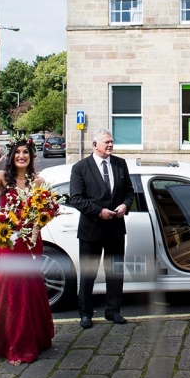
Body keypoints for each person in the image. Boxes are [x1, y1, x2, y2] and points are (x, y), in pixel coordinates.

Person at [0, 136, 54, 365]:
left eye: (26, 152)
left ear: (31, 156)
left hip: (30, 243)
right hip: (7, 241)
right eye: (18, 152)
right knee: (9, 284)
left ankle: (26, 340)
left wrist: (37, 226)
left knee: (28, 287)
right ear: (12, 156)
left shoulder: (37, 181)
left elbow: (45, 211)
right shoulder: (2, 177)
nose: (21, 156)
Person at [68, 128, 134, 329]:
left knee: (114, 272)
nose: (111, 145)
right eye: (107, 142)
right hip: (92, 229)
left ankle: (113, 311)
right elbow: (76, 199)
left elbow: (129, 191)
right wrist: (99, 211)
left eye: (112, 141)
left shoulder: (120, 164)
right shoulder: (80, 167)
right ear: (94, 144)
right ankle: (85, 314)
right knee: (89, 274)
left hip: (115, 229)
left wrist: (125, 205)